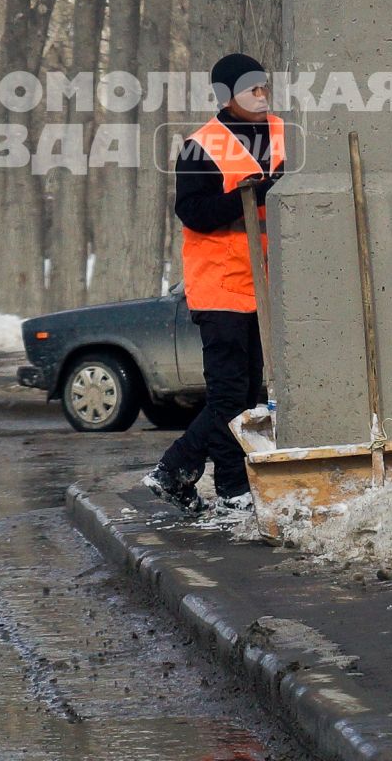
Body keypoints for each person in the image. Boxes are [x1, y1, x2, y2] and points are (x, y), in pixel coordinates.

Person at [143, 53, 282, 515]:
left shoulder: (284, 136)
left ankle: (231, 487)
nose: (262, 96)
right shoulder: (200, 146)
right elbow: (194, 212)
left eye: (265, 87)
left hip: (262, 287)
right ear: (227, 97)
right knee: (227, 395)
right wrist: (248, 193)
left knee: (246, 396)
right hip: (220, 288)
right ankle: (174, 468)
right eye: (252, 89)